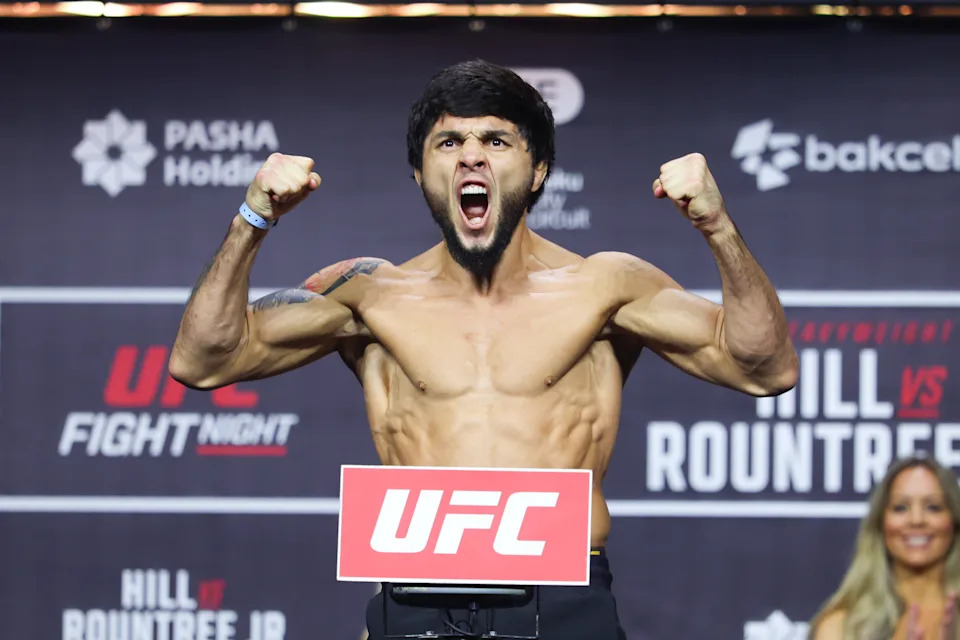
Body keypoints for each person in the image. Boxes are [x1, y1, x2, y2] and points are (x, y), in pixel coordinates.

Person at [168, 59, 798, 639]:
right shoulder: (367, 293)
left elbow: (764, 367)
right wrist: (254, 218)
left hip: (564, 596)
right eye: (449, 143)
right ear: (422, 172)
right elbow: (203, 360)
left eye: (496, 141)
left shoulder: (606, 286)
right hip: (411, 598)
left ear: (538, 169)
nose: (472, 158)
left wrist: (717, 227)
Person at [810, 455, 960, 640]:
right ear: (880, 523)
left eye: (933, 507)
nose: (916, 520)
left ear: (954, 520)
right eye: (900, 508)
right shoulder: (841, 626)